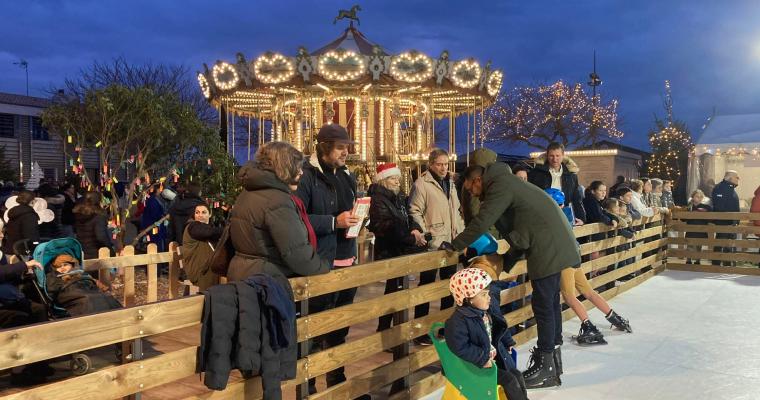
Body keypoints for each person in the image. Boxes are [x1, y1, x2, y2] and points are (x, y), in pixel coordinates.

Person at [443, 162, 581, 389]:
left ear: (477, 179)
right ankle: (553, 362)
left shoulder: (500, 185)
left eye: (469, 188)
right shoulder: (508, 184)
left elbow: (482, 221)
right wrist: (506, 261)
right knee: (550, 304)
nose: (471, 193)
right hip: (552, 243)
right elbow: (521, 236)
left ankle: (547, 366)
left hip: (548, 246)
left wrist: (455, 245)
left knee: (544, 305)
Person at [294, 124, 362, 392]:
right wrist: (334, 222)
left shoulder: (347, 176)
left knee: (339, 328)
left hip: (347, 260)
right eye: (340, 147)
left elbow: (349, 213)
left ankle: (337, 382)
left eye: (347, 147)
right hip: (321, 263)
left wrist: (357, 219)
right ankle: (308, 386)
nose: (346, 152)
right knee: (314, 328)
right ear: (324, 148)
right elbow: (298, 218)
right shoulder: (307, 178)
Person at [409, 148, 465, 345]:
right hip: (434, 243)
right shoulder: (422, 184)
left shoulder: (450, 182)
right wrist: (426, 233)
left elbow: (456, 209)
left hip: (450, 241)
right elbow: (415, 210)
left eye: (445, 164)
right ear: (430, 165)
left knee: (448, 285)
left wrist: (460, 229)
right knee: (426, 286)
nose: (443, 168)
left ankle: (444, 326)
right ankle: (420, 331)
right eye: (439, 164)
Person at [444, 268, 528, 400]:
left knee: (516, 374)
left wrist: (507, 342)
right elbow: (460, 348)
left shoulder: (485, 312)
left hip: (492, 359)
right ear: (468, 298)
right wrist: (482, 359)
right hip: (475, 366)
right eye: (483, 295)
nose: (489, 298)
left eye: (488, 294)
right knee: (509, 380)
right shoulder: (457, 322)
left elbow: (499, 327)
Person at [366, 163, 427, 331]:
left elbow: (408, 215)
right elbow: (386, 226)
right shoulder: (378, 199)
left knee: (397, 290)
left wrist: (415, 228)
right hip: (390, 250)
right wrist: (411, 239)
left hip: (401, 248)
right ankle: (385, 328)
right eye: (393, 178)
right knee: (393, 291)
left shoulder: (399, 196)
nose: (397, 182)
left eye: (398, 179)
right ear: (384, 180)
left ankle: (390, 328)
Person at [528, 142, 586, 224]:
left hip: (564, 215)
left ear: (563, 155)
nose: (555, 159)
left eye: (557, 156)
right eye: (551, 156)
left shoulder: (571, 175)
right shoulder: (536, 173)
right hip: (542, 216)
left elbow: (576, 199)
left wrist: (582, 218)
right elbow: (530, 196)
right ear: (547, 156)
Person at [181, 203, 222, 291]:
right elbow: (206, 232)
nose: (200, 215)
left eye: (204, 212)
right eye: (197, 212)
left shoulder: (209, 228)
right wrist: (226, 230)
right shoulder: (192, 226)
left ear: (210, 214)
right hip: (199, 272)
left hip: (208, 270)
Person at [74, 191, 116, 259]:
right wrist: (110, 249)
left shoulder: (79, 214)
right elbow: (101, 237)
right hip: (96, 253)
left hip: (83, 251)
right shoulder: (98, 216)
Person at [711, 170, 740, 266]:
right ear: (730, 177)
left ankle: (727, 264)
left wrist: (736, 220)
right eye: (737, 177)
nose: (738, 179)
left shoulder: (731, 189)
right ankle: (716, 264)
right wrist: (726, 218)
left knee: (729, 244)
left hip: (731, 222)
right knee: (721, 242)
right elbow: (719, 206)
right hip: (723, 222)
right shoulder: (720, 188)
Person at [1, 190, 41, 257]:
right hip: (22, 252)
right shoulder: (29, 215)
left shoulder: (14, 211)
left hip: (9, 249)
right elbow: (32, 236)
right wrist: (37, 246)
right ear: (31, 201)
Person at [685, 190, 712, 264]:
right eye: (697, 196)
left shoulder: (706, 207)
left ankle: (697, 260)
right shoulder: (689, 206)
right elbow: (683, 218)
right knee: (690, 245)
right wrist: (690, 213)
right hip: (691, 229)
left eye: (701, 197)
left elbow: (711, 216)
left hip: (701, 229)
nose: (699, 198)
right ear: (693, 197)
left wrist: (704, 213)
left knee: (699, 246)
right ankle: (688, 259)